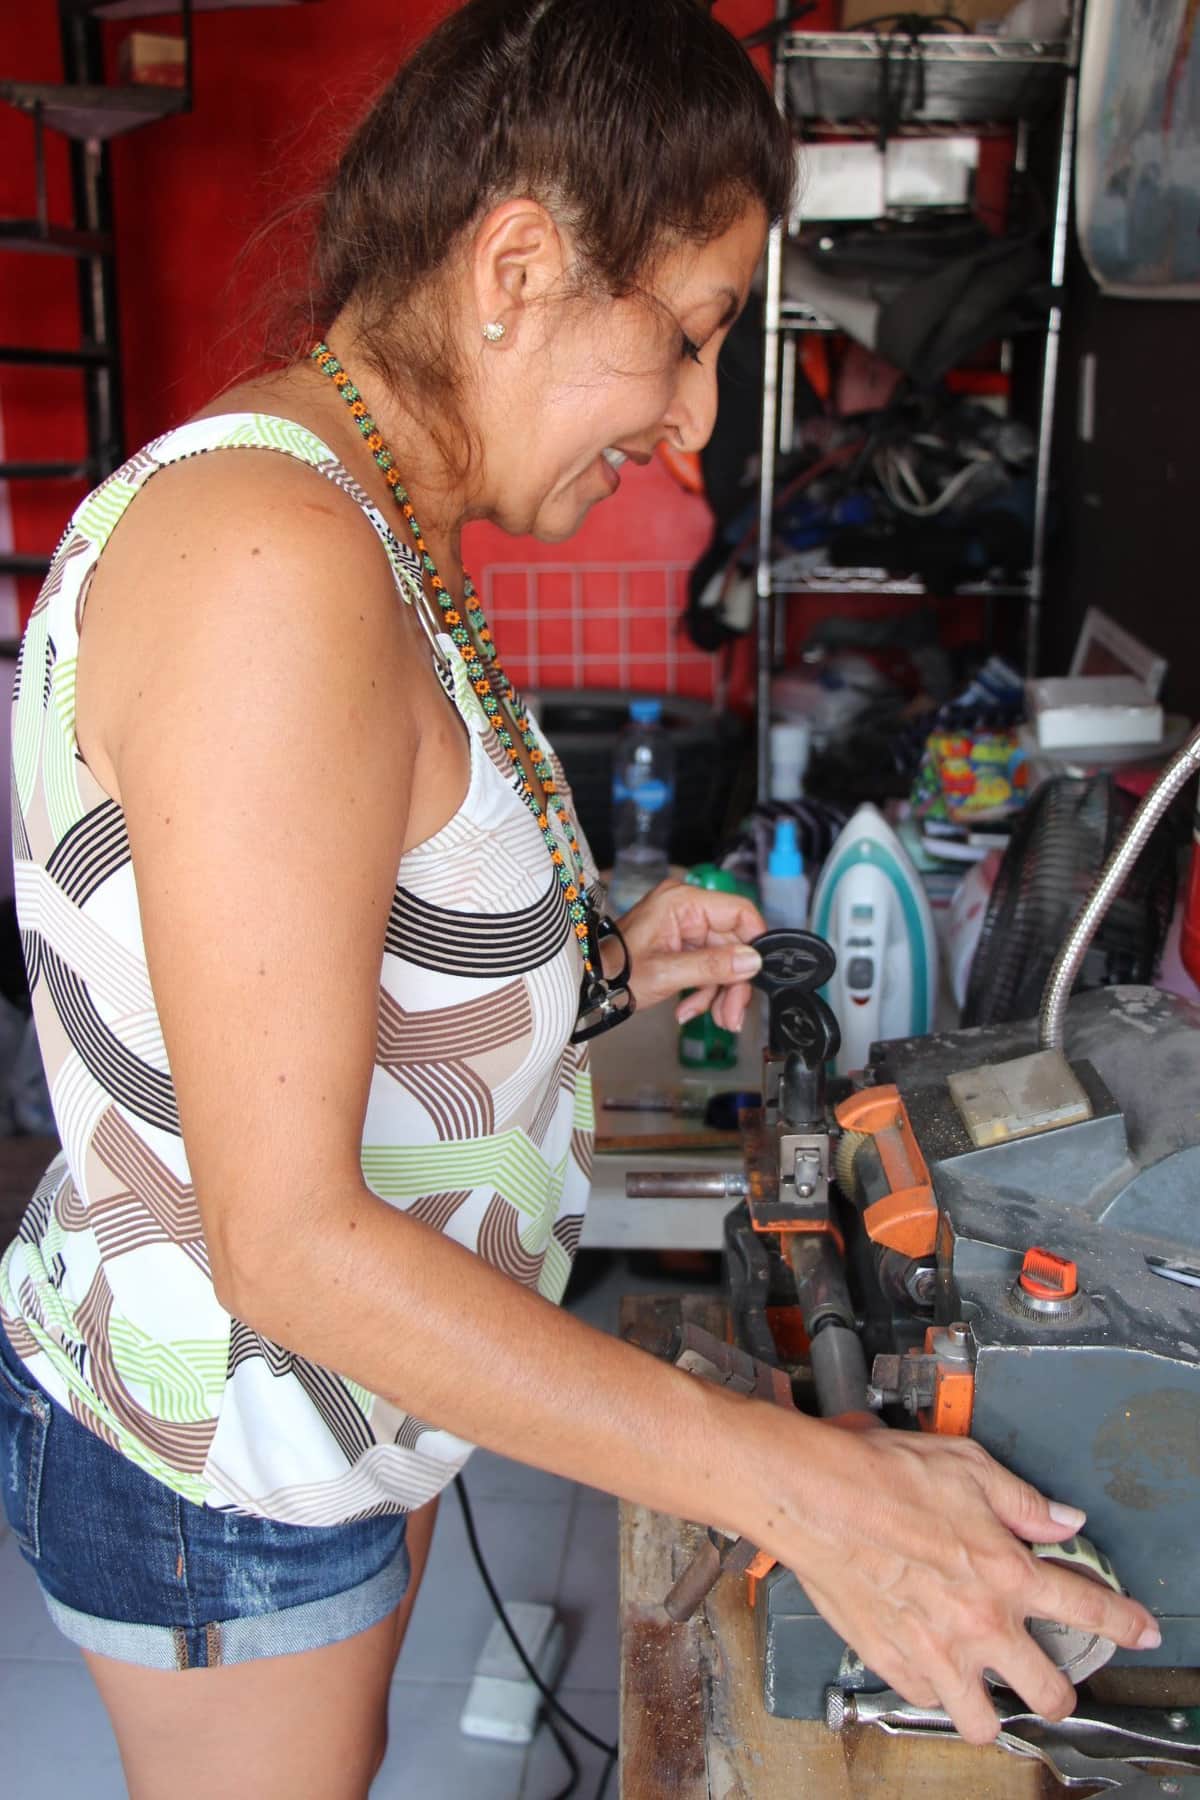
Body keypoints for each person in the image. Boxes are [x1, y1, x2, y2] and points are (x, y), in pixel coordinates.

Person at [0, 1, 1159, 1794]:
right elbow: (289, 1246)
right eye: (686, 339)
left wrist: (587, 959)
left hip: (335, 1421)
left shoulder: (367, 522)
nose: (699, 421)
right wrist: (804, 1486)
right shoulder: (272, 562)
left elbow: (304, 963)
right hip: (221, 1458)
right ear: (519, 264)